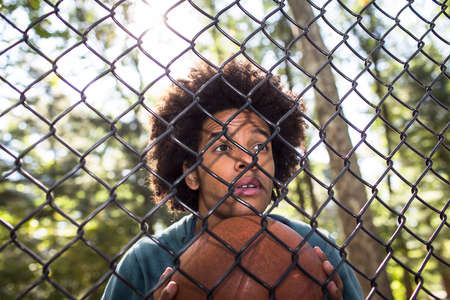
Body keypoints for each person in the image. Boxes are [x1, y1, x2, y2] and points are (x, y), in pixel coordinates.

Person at [101, 60, 363, 300]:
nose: (248, 160)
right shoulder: (145, 262)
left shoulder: (317, 249)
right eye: (223, 147)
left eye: (260, 147)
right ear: (191, 174)